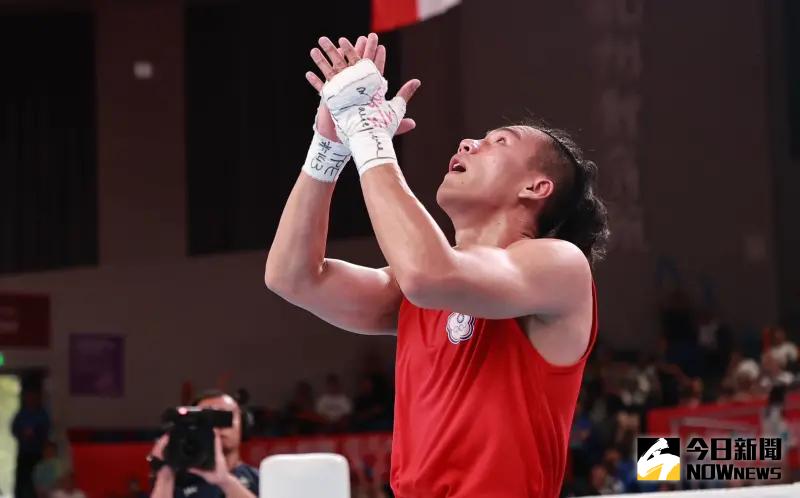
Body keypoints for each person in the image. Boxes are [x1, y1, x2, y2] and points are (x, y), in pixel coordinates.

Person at [265, 32, 608, 497]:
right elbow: (293, 277)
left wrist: (366, 133)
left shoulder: (559, 265)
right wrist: (330, 146)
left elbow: (430, 275)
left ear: (536, 188)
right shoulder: (409, 286)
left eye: (498, 142)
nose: (469, 142)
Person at [148, 390, 258, 498]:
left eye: (223, 417)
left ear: (243, 425)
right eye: (206, 418)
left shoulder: (264, 478)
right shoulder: (175, 483)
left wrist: (226, 482)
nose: (216, 426)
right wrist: (165, 473)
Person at [12, 390, 51, 498]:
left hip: (38, 452)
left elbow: (46, 430)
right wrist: (23, 432)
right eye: (29, 397)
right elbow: (14, 429)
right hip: (24, 451)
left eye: (33, 397)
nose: (31, 400)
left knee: (37, 478)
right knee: (22, 477)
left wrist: (35, 432)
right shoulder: (21, 413)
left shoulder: (42, 414)